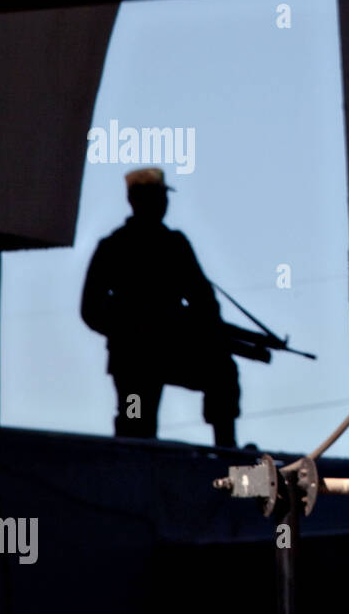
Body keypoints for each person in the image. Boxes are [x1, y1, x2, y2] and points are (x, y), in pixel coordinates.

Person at [81, 168, 240, 448]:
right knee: (135, 424)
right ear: (138, 201)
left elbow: (204, 302)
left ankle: (227, 452)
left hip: (171, 348)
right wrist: (129, 329)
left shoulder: (172, 244)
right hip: (132, 356)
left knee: (222, 373)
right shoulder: (116, 247)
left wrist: (187, 327)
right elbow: (91, 309)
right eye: (157, 198)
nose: (163, 205)